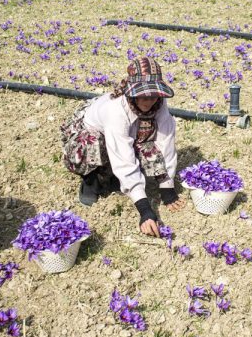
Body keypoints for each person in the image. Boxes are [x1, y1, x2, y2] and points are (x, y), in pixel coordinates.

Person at [61, 57, 186, 237]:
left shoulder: (159, 103)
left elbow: (165, 143)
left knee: (147, 144)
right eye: (142, 94)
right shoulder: (115, 111)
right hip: (88, 133)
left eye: (152, 94)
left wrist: (167, 188)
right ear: (131, 92)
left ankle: (111, 177)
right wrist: (145, 209)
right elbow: (123, 158)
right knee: (94, 143)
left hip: (123, 132)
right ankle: (91, 181)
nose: (148, 100)